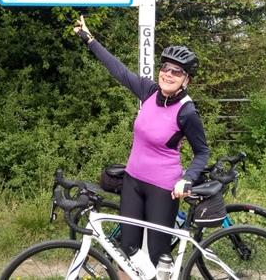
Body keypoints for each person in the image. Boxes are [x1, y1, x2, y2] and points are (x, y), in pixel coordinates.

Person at [73, 15, 211, 266]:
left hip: (163, 188)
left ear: (186, 79)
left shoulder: (187, 111)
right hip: (133, 181)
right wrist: (89, 39)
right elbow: (119, 71)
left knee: (159, 255)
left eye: (176, 71)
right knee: (127, 250)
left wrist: (187, 178)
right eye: (165, 68)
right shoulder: (149, 92)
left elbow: (203, 152)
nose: (168, 74)